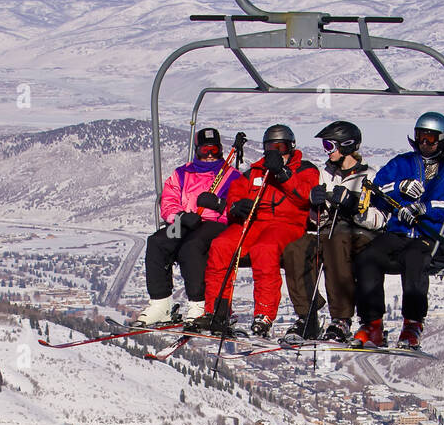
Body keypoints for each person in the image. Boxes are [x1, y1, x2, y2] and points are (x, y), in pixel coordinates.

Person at [186, 124, 319, 338]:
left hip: (286, 224)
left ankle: (264, 314)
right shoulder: (257, 171)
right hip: (254, 222)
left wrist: (283, 174)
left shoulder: (304, 169)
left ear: (291, 147)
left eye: (281, 147)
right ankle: (217, 311)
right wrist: (235, 206)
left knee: (264, 249)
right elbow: (236, 191)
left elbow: (305, 195)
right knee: (221, 246)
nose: (276, 152)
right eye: (270, 147)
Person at [352, 111, 444, 351]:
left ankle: (412, 324)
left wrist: (425, 208)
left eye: (430, 139)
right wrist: (399, 190)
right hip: (398, 233)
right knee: (367, 257)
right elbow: (377, 188)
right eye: (420, 137)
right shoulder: (402, 164)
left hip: (429, 236)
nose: (424, 143)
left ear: (442, 139)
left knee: (415, 259)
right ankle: (372, 324)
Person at [281, 120, 385, 344]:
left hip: (359, 234)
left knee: (335, 243)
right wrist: (316, 206)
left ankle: (341, 319)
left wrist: (355, 208)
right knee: (295, 249)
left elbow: (381, 219)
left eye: (330, 146)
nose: (326, 151)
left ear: (346, 146)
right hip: (329, 231)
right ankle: (307, 317)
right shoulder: (325, 173)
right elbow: (319, 221)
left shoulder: (369, 176)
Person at [137, 128, 241, 327]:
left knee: (192, 246)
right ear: (197, 150)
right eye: (205, 150)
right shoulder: (183, 173)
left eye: (214, 150)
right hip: (185, 221)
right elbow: (168, 200)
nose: (210, 155)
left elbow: (239, 208)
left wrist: (219, 204)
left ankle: (198, 305)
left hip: (215, 223)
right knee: (158, 241)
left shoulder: (230, 176)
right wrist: (180, 216)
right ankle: (161, 304)